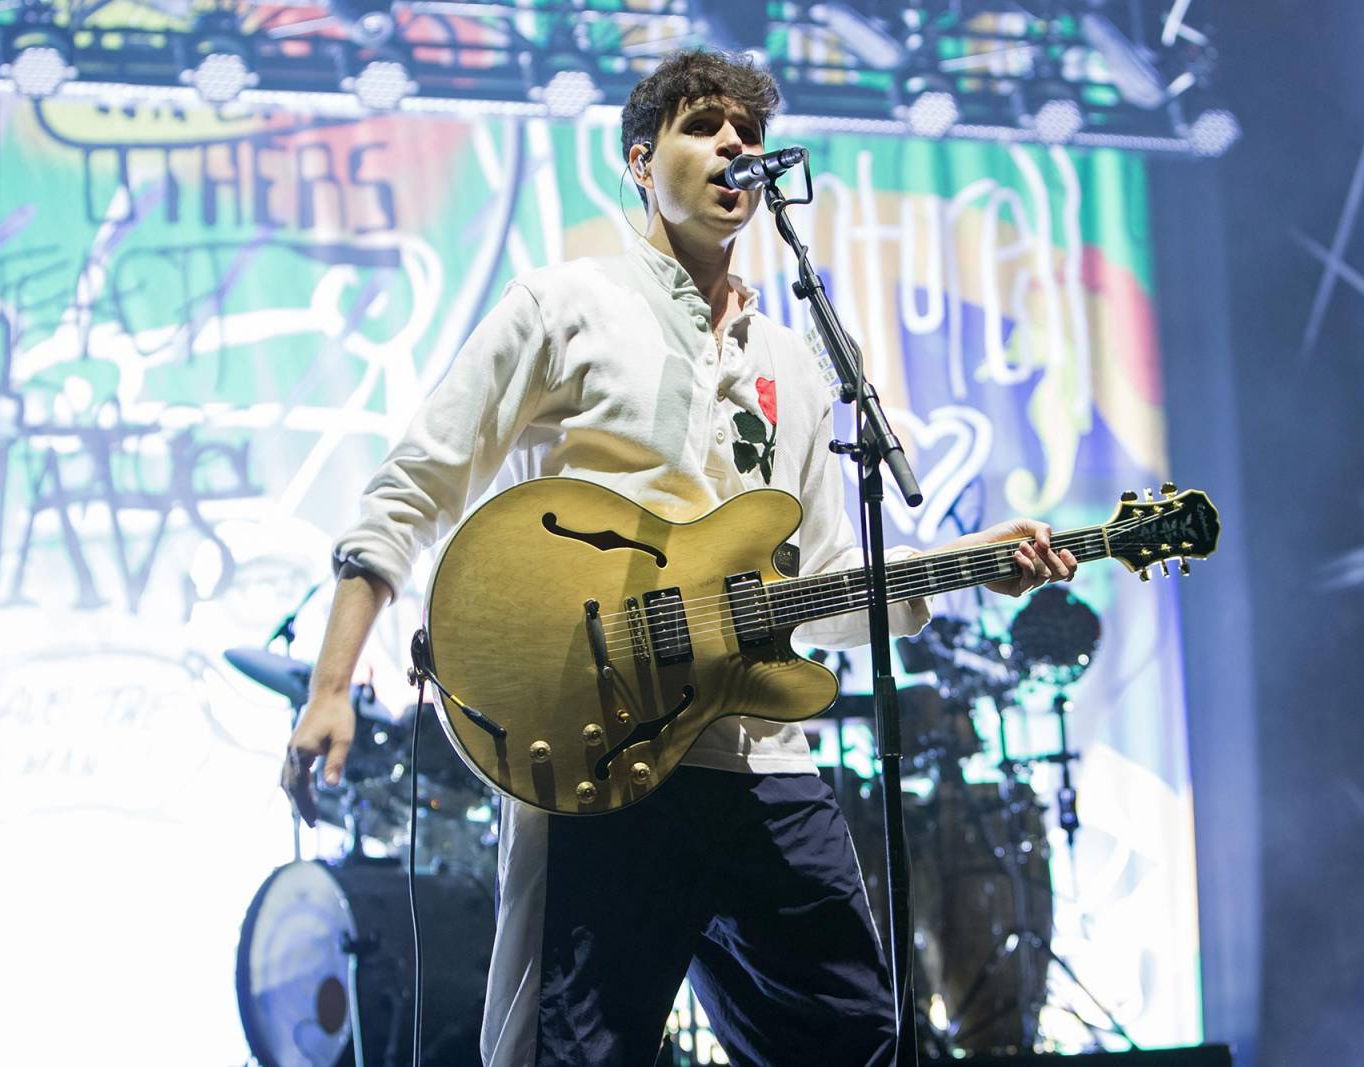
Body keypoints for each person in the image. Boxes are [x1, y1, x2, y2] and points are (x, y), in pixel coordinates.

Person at [282, 49, 1078, 1067]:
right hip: (597, 753)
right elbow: (413, 483)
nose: (735, 146)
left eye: (746, 131)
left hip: (760, 758)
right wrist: (331, 681)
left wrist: (964, 562)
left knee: (854, 1038)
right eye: (705, 126)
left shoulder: (797, 359)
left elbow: (824, 576)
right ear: (638, 158)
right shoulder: (563, 305)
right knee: (573, 1050)